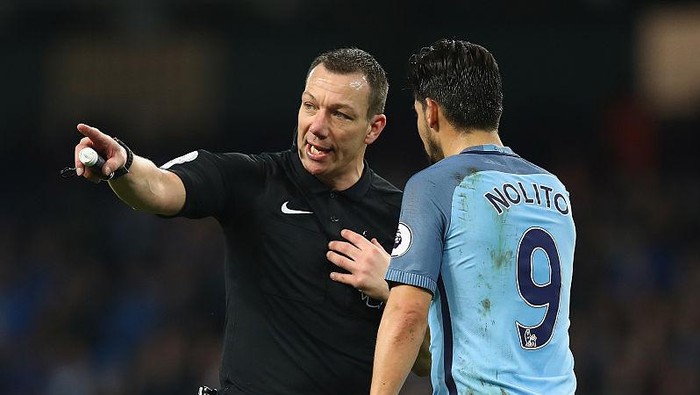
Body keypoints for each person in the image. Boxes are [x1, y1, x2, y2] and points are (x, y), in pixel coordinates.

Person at [72, 48, 413, 394]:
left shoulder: (403, 217)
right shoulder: (254, 181)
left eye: (339, 114)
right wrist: (124, 164)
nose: (318, 127)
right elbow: (159, 186)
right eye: (310, 106)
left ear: (373, 128)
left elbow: (430, 355)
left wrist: (393, 292)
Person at [370, 39, 577, 395]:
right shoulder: (555, 191)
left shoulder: (436, 185)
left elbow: (408, 316)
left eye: (417, 114)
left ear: (431, 111)